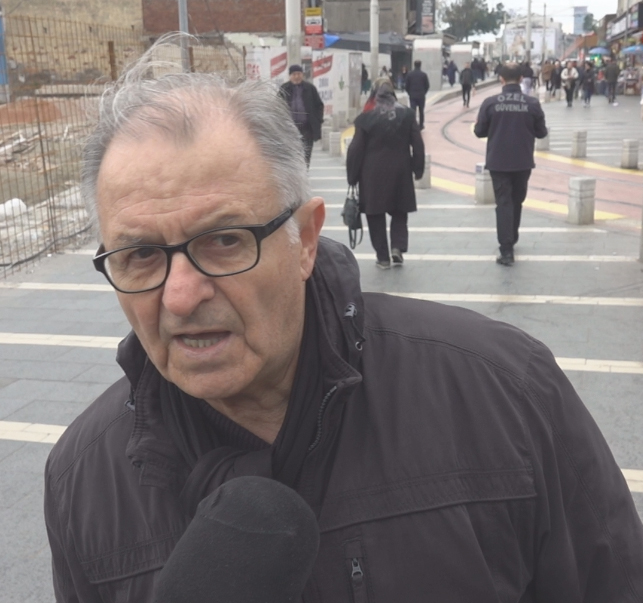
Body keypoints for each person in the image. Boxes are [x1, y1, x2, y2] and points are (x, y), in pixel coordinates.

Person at [44, 38, 643, 603]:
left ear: (305, 240)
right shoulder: (81, 482)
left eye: (224, 240)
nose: (179, 297)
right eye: (140, 254)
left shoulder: (507, 394)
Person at [474, 62, 548, 266]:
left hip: (498, 161)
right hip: (523, 161)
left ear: (501, 79)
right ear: (522, 78)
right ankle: (512, 237)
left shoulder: (490, 103)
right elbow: (542, 132)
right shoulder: (532, 103)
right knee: (517, 200)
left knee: (503, 203)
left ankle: (506, 249)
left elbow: (479, 131)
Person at [346, 78, 424, 269]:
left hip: (372, 174)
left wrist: (352, 176)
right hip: (401, 171)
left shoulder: (365, 117)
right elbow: (418, 144)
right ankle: (397, 247)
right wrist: (418, 169)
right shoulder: (407, 114)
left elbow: (355, 149)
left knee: (375, 214)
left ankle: (382, 257)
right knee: (399, 211)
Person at [278, 64, 324, 168]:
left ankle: (304, 173)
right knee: (291, 154)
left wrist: (318, 120)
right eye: (294, 74)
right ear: (290, 76)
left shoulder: (310, 88)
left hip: (307, 128)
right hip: (289, 129)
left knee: (306, 154)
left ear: (302, 75)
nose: (296, 76)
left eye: (299, 74)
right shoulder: (284, 88)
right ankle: (294, 174)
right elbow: (277, 106)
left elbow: (319, 105)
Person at [404, 59, 430, 130]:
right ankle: (421, 125)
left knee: (413, 111)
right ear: (420, 65)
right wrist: (423, 92)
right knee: (421, 111)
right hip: (421, 95)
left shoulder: (409, 74)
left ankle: (413, 125)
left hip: (412, 95)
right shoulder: (424, 75)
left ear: (414, 65)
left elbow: (406, 86)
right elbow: (427, 86)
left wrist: (409, 93)